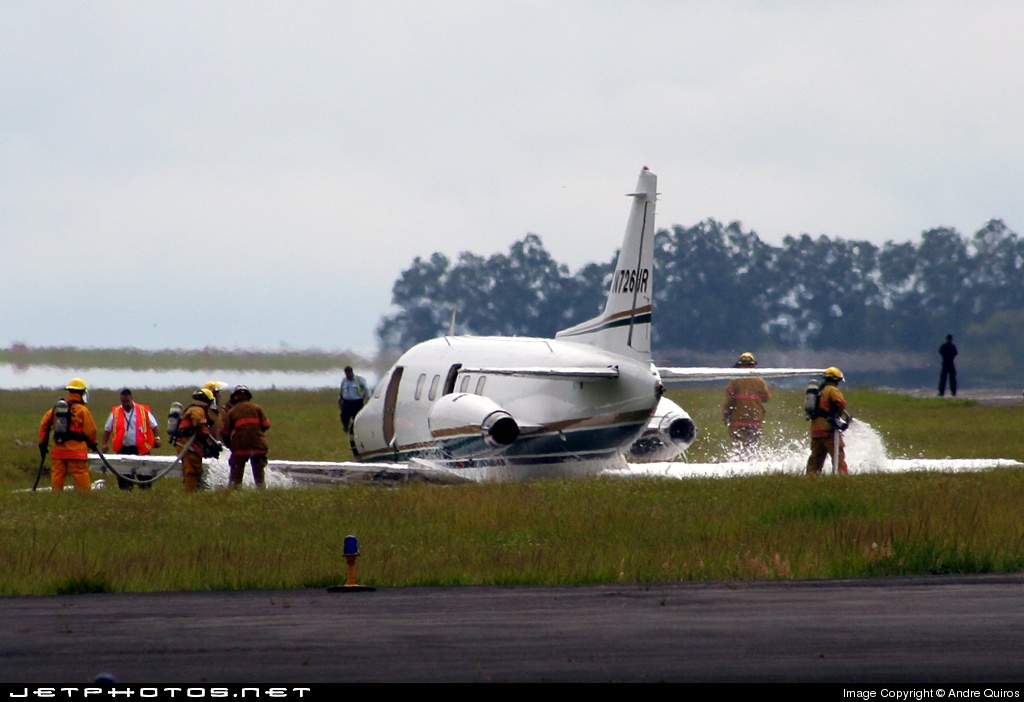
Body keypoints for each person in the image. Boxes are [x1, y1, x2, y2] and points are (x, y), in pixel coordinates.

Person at [38, 377, 98, 492]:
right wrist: (93, 443)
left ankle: (56, 498)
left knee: (57, 476)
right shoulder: (82, 410)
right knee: (80, 474)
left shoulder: (57, 408)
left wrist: (42, 442)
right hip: (76, 451)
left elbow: (44, 424)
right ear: (82, 393)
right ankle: (85, 499)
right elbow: (91, 431)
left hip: (58, 450)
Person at [100, 388, 161, 490]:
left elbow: (154, 426)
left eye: (127, 401)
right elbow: (107, 429)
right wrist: (104, 444)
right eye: (123, 402)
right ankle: (127, 493)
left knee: (145, 477)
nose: (125, 404)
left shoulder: (143, 410)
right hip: (123, 449)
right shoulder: (115, 412)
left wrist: (157, 438)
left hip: (141, 449)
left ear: (132, 399)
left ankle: (145, 492)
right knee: (124, 477)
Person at [722, 352, 771, 457]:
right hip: (755, 419)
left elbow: (729, 400)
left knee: (737, 449)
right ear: (753, 365)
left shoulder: (734, 380)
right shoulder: (759, 381)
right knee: (752, 447)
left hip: (738, 420)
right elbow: (766, 398)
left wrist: (726, 413)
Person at [222, 385, 272, 489]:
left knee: (235, 478)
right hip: (258, 446)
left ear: (234, 397)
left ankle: (234, 492)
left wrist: (229, 445)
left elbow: (225, 433)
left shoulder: (232, 411)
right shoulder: (257, 408)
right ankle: (261, 491)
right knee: (259, 478)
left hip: (240, 447)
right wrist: (257, 433)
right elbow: (266, 425)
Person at [806, 367, 848, 474]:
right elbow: (841, 404)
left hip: (816, 430)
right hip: (828, 429)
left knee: (816, 458)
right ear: (836, 380)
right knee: (838, 455)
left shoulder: (818, 390)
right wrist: (837, 414)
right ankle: (842, 477)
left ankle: (810, 478)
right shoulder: (832, 390)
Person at [175, 388, 215, 492]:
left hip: (187, 444)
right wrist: (205, 433)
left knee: (190, 470)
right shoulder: (198, 410)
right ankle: (189, 494)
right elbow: (197, 423)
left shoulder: (194, 408)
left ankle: (190, 491)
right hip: (188, 444)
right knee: (192, 471)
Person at [338, 366, 370, 433]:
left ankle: (357, 429)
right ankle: (346, 427)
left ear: (352, 372)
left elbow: (366, 388)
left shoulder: (359, 379)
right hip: (347, 402)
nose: (348, 375)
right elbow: (341, 390)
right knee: (344, 415)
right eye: (346, 374)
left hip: (357, 401)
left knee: (357, 417)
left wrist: (369, 397)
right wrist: (340, 399)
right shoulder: (344, 381)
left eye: (349, 373)